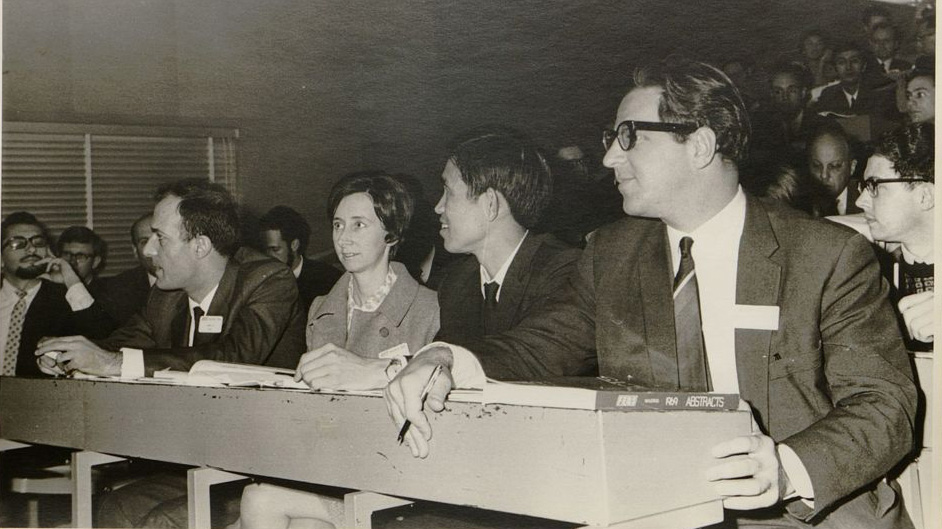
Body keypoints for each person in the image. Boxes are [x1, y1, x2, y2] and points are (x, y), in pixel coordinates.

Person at [386, 58, 917, 528]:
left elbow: (885, 404)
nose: (610, 160)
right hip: (660, 509)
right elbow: (537, 346)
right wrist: (445, 359)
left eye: (629, 137)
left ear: (701, 145)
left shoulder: (825, 255)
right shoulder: (612, 253)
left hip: (806, 514)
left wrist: (784, 468)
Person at [35, 179, 307, 529]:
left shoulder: (268, 279)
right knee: (113, 509)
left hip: (266, 472)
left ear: (201, 246)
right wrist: (69, 355)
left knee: (163, 522)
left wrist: (113, 363)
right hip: (202, 462)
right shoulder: (166, 295)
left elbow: (234, 357)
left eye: (159, 238)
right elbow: (119, 344)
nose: (148, 250)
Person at [236, 172, 439, 529]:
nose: (344, 239)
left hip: (398, 477)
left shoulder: (429, 307)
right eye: (338, 225)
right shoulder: (320, 308)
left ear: (391, 233)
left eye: (359, 225)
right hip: (330, 470)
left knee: (260, 498)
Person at [434, 126, 581, 348]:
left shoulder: (564, 273)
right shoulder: (456, 282)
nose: (438, 207)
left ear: (491, 204)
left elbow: (532, 358)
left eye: (449, 193)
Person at [0, 212, 114, 376]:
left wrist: (71, 281)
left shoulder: (67, 300)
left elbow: (105, 339)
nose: (31, 249)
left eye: (38, 242)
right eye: (18, 243)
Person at [855, 122, 934, 351]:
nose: (860, 201)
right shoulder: (871, 266)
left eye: (875, 186)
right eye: (863, 186)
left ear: (925, 196)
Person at [259, 205, 342, 311]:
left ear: (294, 245)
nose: (268, 257)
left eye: (275, 249)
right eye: (265, 250)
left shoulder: (329, 279)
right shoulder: (259, 282)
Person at [99, 213, 158, 325]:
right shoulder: (119, 288)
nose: (153, 249)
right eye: (145, 242)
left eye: (160, 239)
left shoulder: (190, 282)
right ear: (135, 251)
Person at [806, 122, 862, 215]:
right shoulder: (798, 204)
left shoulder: (866, 202)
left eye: (834, 166)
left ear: (852, 167)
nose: (824, 175)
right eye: (816, 165)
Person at [56, 225, 107, 293]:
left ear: (95, 262)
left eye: (80, 256)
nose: (72, 262)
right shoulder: (51, 290)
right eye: (67, 254)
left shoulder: (106, 294)